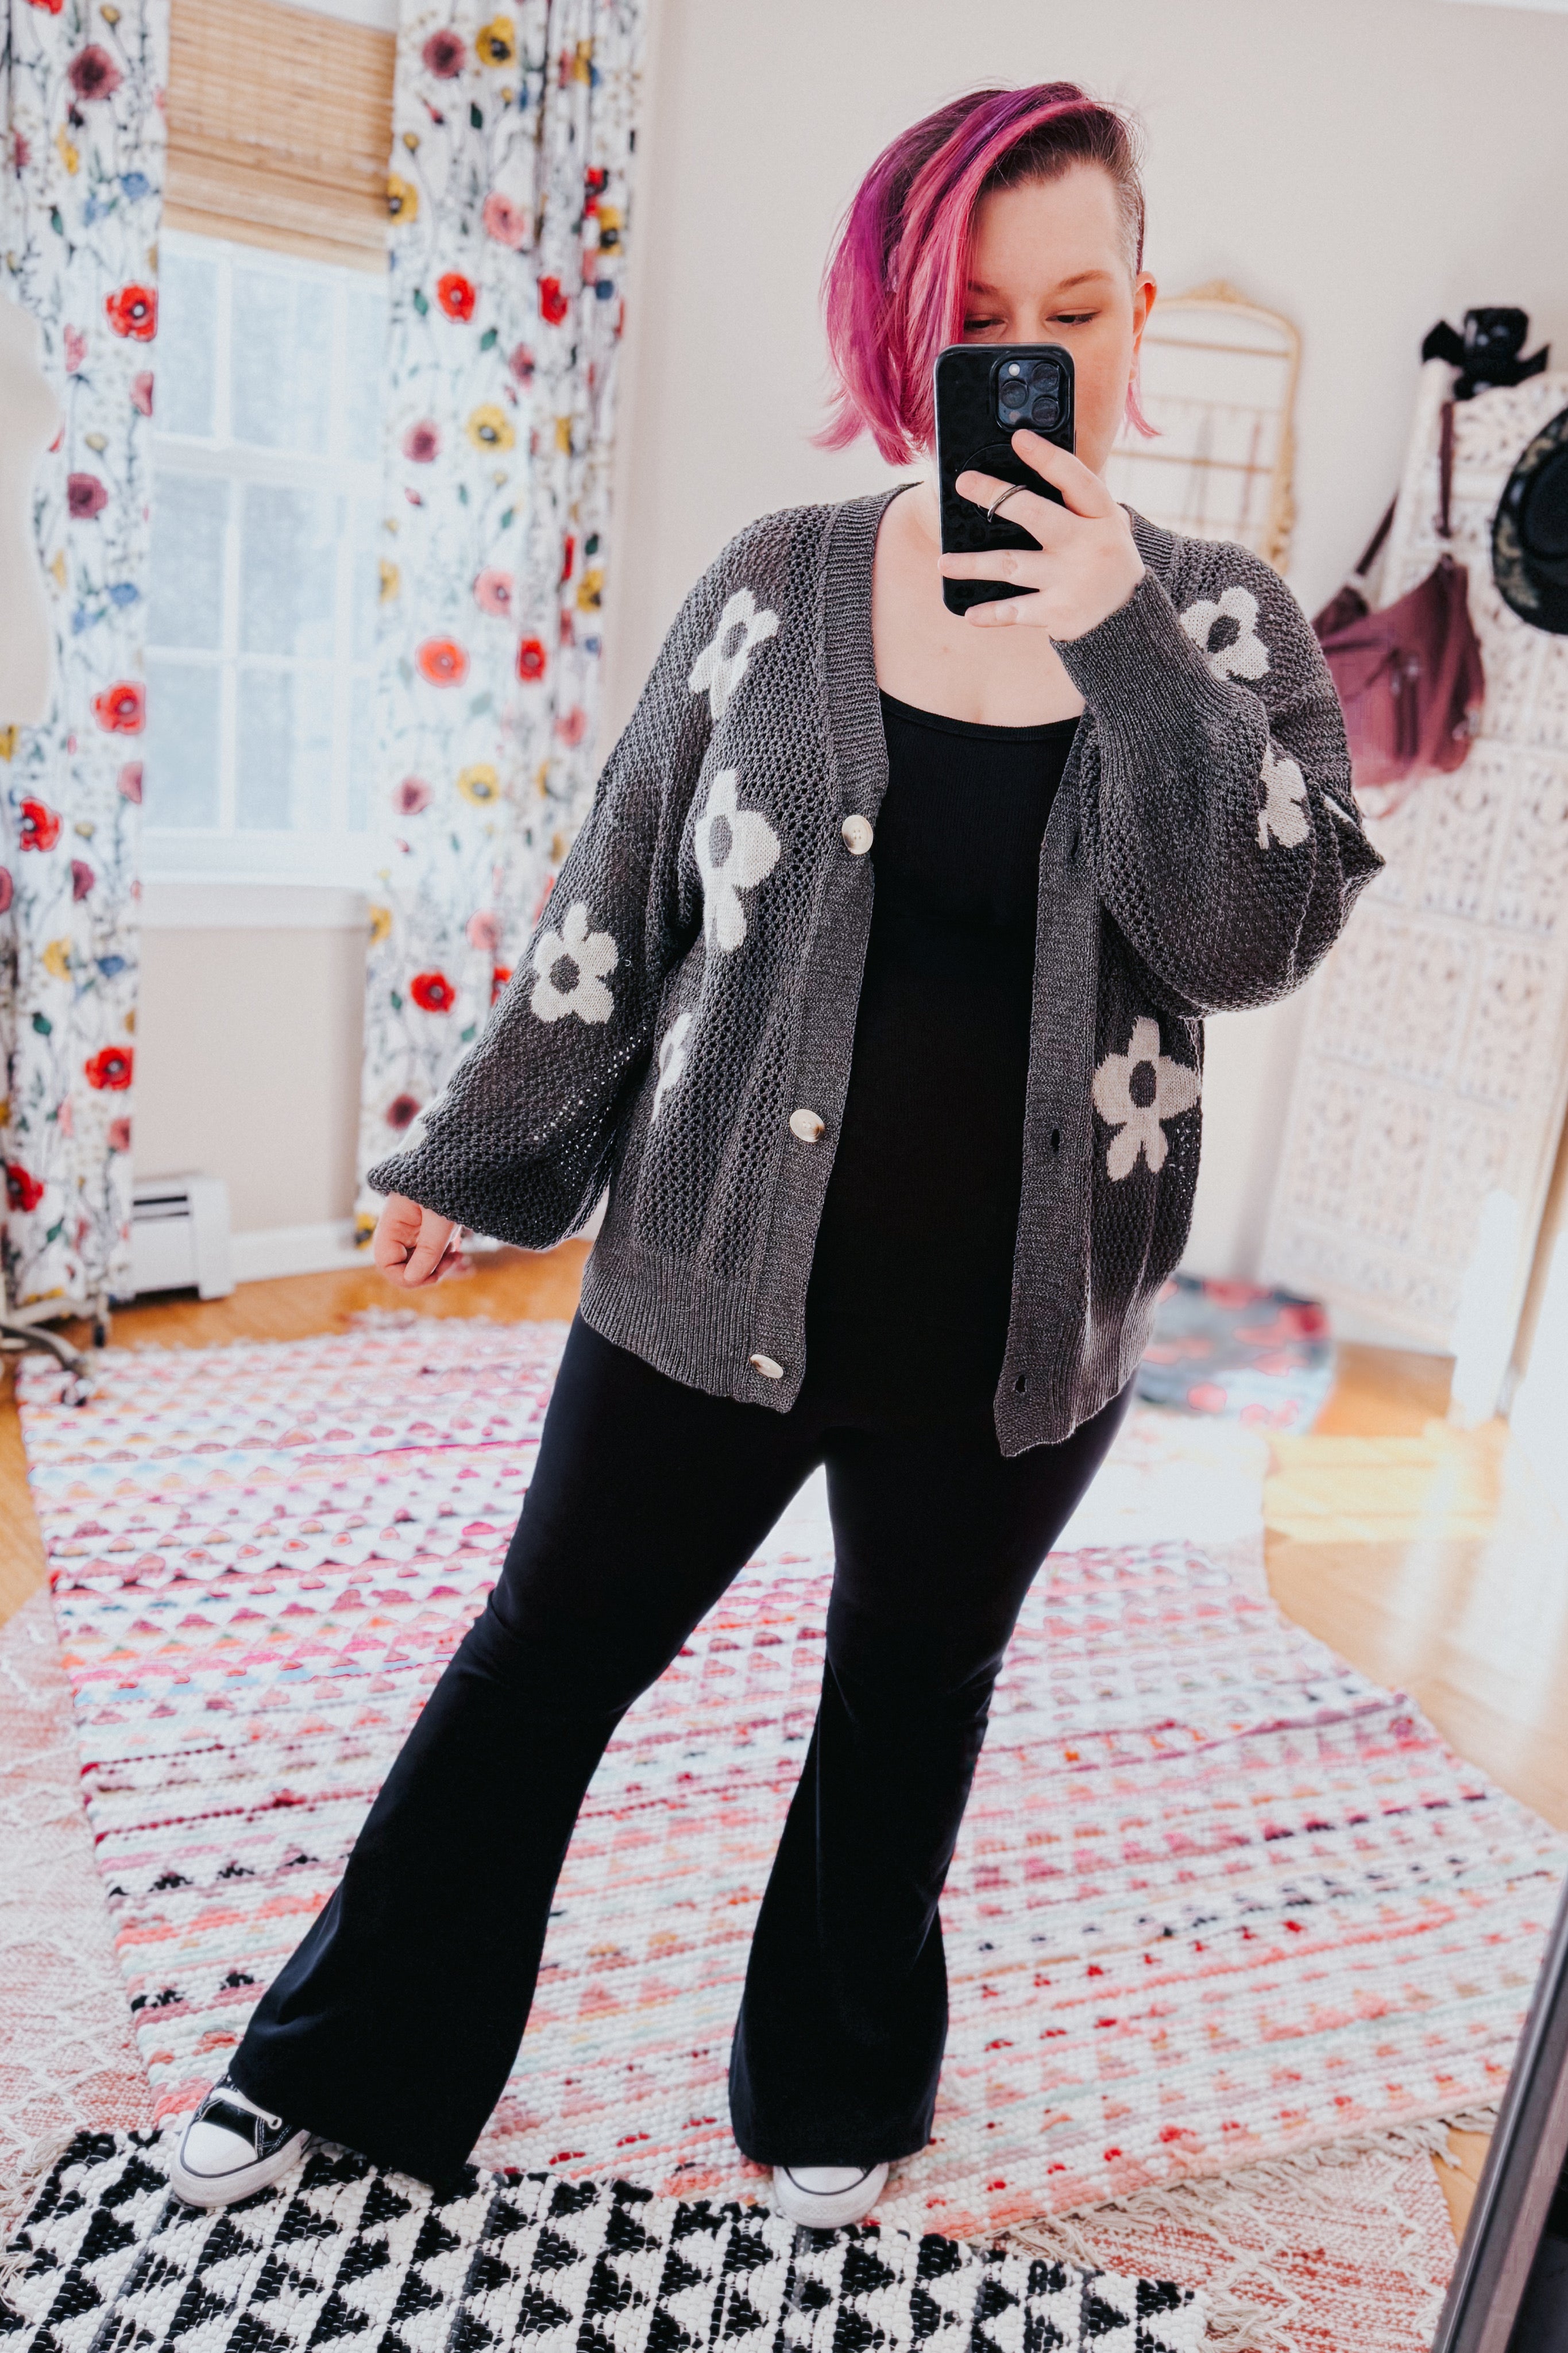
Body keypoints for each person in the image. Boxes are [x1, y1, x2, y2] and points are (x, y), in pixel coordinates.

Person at [170, 80, 1381, 2225]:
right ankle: (345, 2066)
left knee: (906, 1702)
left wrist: (1109, 629)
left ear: (1137, 311)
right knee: (543, 1658)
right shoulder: (776, 584)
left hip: (1017, 1329)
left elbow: (1252, 933)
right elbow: (618, 899)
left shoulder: (1217, 626)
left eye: (1077, 307)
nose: (1031, 354)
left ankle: (830, 2085)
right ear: (901, 321)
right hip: (703, 1270)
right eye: (978, 313)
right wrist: (478, 1155)